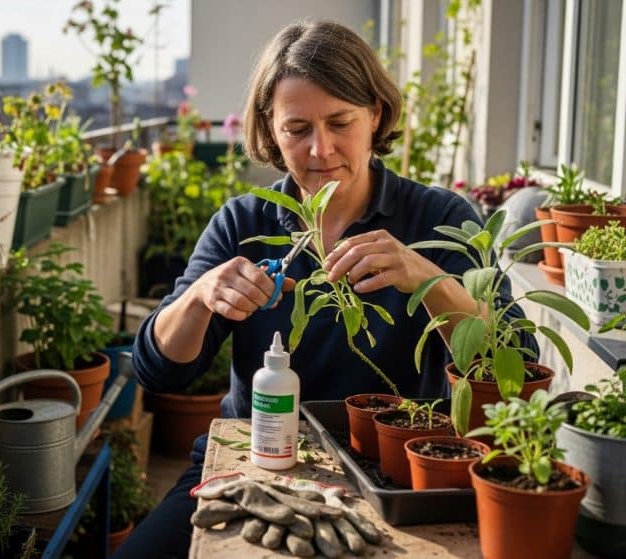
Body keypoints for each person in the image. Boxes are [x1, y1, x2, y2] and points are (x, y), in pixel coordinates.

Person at [114, 20, 538, 558]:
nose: (321, 149)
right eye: (297, 129)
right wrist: (201, 297)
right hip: (255, 466)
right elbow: (157, 368)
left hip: (396, 472)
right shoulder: (244, 222)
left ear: (375, 115)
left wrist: (428, 279)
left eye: (341, 122)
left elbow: (517, 366)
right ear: (270, 130)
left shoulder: (437, 218)